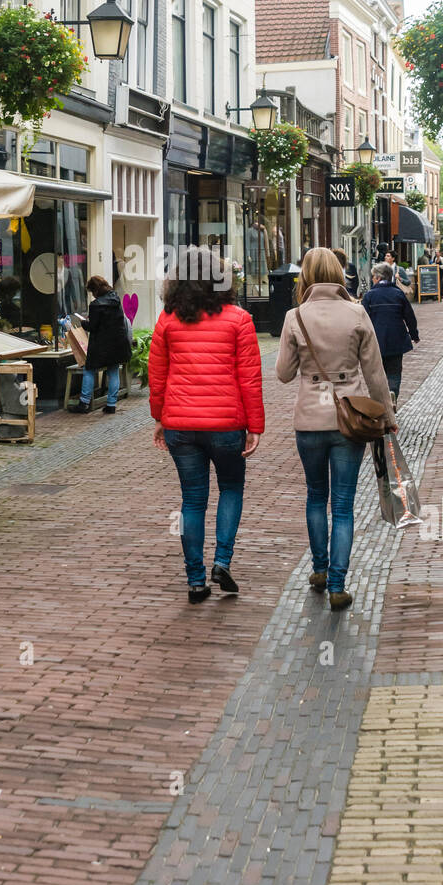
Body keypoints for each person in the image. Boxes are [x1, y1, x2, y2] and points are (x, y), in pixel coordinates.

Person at [276, 248, 396, 612]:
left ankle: (319, 569)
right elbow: (375, 373)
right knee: (343, 505)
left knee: (316, 496)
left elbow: (283, 373)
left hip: (310, 418)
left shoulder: (294, 316)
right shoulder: (357, 313)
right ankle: (338, 584)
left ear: (307, 276)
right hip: (350, 417)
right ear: (338, 273)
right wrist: (387, 417)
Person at [149, 251, 264, 604]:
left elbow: (157, 377)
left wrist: (159, 417)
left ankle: (196, 580)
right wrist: (255, 425)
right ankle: (222, 561)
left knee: (192, 500)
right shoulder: (240, 319)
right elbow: (250, 379)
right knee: (231, 488)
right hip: (227, 424)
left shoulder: (167, 320)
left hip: (181, 425)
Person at [68, 276, 132, 415]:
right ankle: (111, 404)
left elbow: (93, 326)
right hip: (117, 344)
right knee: (113, 370)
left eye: (92, 292)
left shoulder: (96, 305)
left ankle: (84, 403)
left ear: (95, 290)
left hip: (101, 346)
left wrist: (83, 322)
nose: (92, 295)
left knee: (89, 370)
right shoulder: (115, 298)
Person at [362, 262, 420, 407]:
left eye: (373, 277)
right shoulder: (398, 294)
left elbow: (362, 320)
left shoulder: (370, 296)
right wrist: (414, 335)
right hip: (396, 339)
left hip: (376, 341)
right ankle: (392, 392)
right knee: (394, 370)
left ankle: (382, 401)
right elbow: (409, 317)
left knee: (377, 372)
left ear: (376, 277)